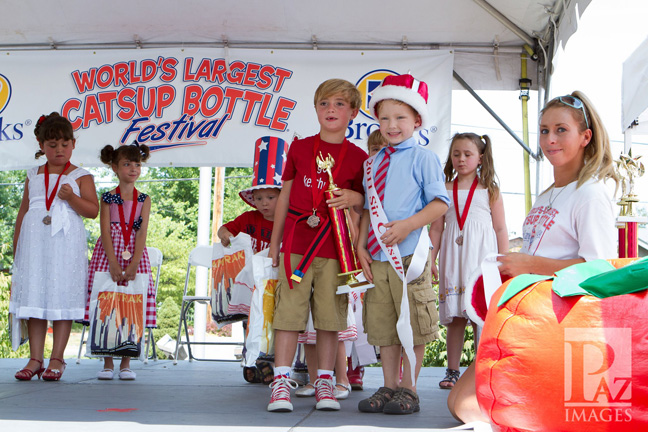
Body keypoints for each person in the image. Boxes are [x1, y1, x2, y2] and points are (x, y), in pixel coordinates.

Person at [448, 91, 618, 423]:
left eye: (560, 130)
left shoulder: (591, 194)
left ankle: (551, 414)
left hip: (561, 328)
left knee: (468, 406)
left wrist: (530, 265)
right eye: (543, 130)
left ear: (586, 137)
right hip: (529, 318)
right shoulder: (547, 194)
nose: (549, 139)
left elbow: (601, 271)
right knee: (458, 402)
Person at [267, 78, 367, 412]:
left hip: (337, 250)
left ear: (353, 112)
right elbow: (284, 196)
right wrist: (274, 241)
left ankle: (325, 382)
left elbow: (366, 206)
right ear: (315, 109)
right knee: (288, 314)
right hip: (297, 243)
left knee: (329, 317)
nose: (331, 110)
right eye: (324, 103)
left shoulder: (359, 157)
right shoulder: (298, 148)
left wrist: (356, 197)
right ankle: (280, 383)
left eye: (340, 104)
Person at [356, 74, 450, 415]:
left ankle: (409, 387)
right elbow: (367, 209)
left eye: (400, 118)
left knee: (411, 320)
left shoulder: (424, 158)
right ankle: (389, 385)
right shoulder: (372, 163)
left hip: (409, 255)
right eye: (384, 118)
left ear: (417, 121)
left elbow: (440, 204)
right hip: (377, 256)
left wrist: (408, 225)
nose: (391, 125)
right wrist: (359, 246)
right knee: (383, 322)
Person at [10, 112, 99, 381]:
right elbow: (23, 212)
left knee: (62, 296)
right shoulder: (33, 175)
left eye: (64, 144)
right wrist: (17, 250)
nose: (58, 150)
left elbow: (93, 211)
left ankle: (57, 358)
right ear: (41, 146)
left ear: (73, 144)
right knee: (35, 298)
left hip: (65, 244)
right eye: (52, 145)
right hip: (34, 245)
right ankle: (35, 358)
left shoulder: (82, 175)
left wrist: (71, 197)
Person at [429, 133, 508, 389]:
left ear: (480, 158)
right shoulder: (443, 188)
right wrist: (432, 259)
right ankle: (452, 370)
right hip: (453, 257)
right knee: (456, 316)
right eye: (456, 154)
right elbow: (437, 229)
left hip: (481, 259)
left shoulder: (490, 190)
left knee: (480, 316)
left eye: (467, 154)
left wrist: (504, 261)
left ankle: (482, 370)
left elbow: (500, 229)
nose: (461, 159)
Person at [218, 136, 286, 385]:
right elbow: (225, 228)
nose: (264, 203)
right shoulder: (249, 218)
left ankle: (276, 362)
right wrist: (225, 234)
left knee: (279, 322)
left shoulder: (290, 219)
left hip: (280, 280)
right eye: (259, 198)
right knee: (251, 319)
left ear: (282, 196)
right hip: (255, 281)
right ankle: (252, 359)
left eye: (271, 197)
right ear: (252, 200)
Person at [84, 142, 154, 381]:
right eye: (127, 164)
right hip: (109, 254)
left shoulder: (144, 199)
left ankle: (126, 362)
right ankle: (107, 361)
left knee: (131, 304)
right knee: (107, 303)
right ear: (114, 167)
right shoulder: (107, 198)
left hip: (135, 253)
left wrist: (134, 263)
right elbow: (104, 231)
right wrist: (113, 262)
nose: (133, 168)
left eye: (137, 164)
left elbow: (142, 232)